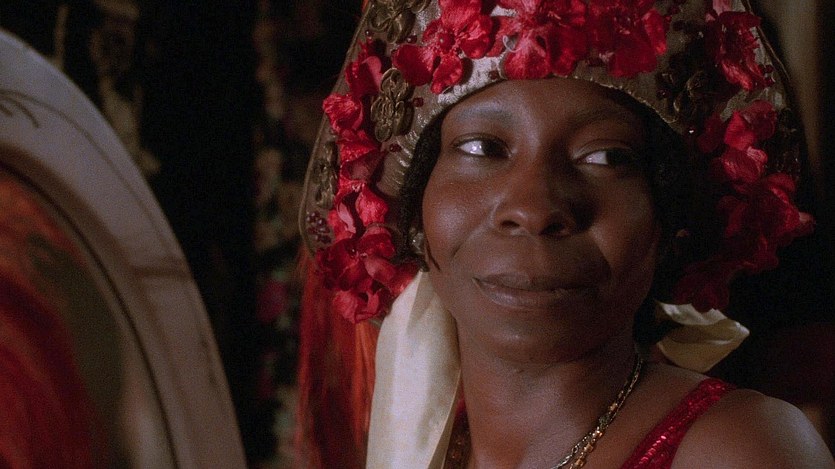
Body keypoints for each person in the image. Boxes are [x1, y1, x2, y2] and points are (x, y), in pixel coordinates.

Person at [296, 0, 835, 467]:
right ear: (412, 215)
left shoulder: (739, 450)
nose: (533, 208)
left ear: (670, 227)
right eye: (482, 148)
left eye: (605, 157)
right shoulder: (427, 446)